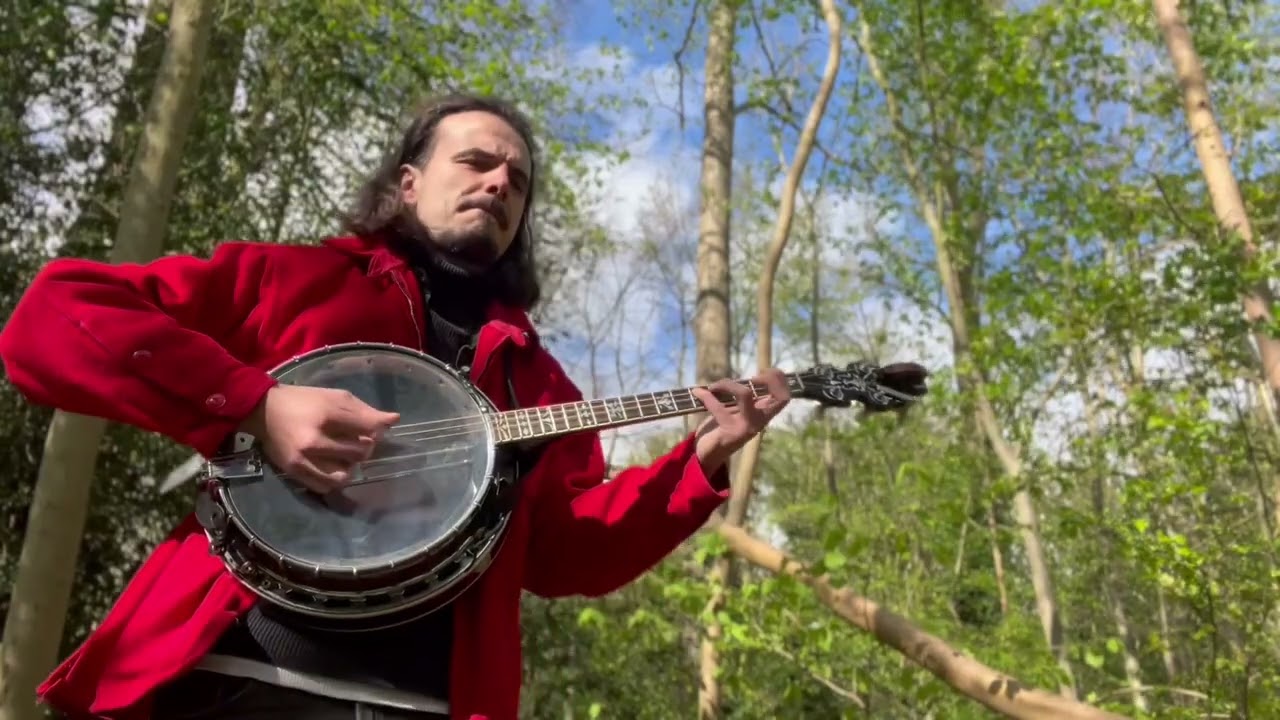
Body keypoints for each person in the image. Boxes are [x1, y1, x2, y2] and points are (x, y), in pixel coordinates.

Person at [0, 94, 798, 720]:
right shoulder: (292, 282)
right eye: (478, 162)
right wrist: (256, 405)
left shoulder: (542, 383)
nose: (499, 183)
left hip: (431, 706)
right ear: (408, 182)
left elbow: (563, 557)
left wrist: (697, 463)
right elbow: (53, 320)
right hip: (235, 679)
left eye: (517, 182)